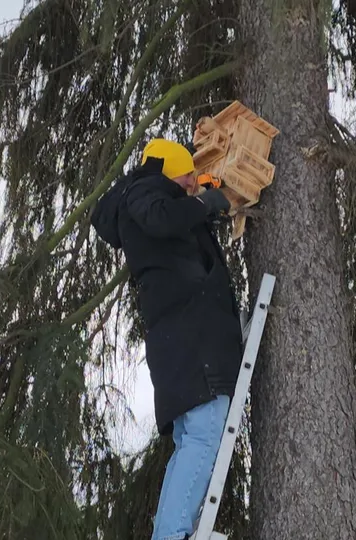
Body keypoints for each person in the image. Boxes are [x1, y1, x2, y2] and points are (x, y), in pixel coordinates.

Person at [92, 138, 243, 540]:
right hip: (192, 339)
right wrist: (208, 202)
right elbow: (163, 217)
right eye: (189, 176)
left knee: (191, 437)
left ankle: (170, 532)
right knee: (205, 431)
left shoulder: (149, 202)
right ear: (171, 170)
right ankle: (173, 534)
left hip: (183, 337)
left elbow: (174, 224)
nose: (194, 183)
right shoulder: (144, 191)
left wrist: (208, 202)